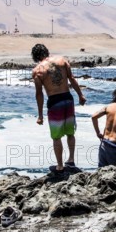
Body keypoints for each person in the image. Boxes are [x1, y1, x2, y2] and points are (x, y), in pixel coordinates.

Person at [31, 44, 87, 172]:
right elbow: (72, 79)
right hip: (68, 99)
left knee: (56, 137)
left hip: (55, 102)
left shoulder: (38, 70)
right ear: (47, 51)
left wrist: (40, 115)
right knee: (70, 132)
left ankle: (60, 165)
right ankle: (71, 160)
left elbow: (39, 94)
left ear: (36, 56)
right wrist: (81, 95)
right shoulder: (62, 60)